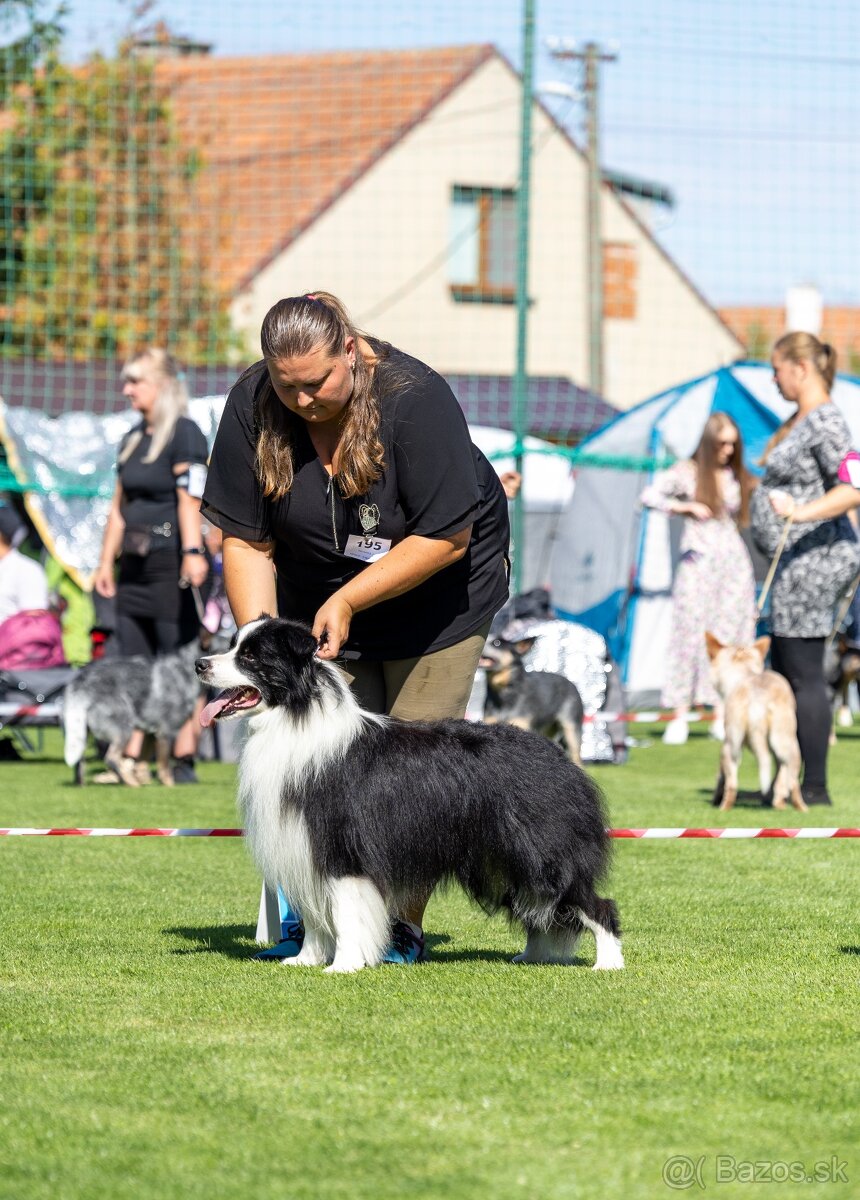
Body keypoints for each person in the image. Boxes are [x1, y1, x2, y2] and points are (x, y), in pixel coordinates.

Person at [201, 291, 510, 963]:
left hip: (440, 600)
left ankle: (400, 928)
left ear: (351, 349)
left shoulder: (416, 399)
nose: (304, 399)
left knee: (413, 774)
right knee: (324, 769)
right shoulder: (254, 403)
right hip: (315, 601)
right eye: (289, 387)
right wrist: (264, 641)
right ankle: (311, 924)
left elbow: (447, 536)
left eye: (317, 383)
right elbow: (246, 538)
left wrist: (350, 601)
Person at [750, 332, 860, 806]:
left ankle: (812, 788)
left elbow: (854, 487)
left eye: (776, 369)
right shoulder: (803, 420)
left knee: (803, 674)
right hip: (796, 563)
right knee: (790, 670)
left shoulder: (827, 421)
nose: (773, 379)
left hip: (814, 562)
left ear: (801, 367)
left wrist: (799, 511)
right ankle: (790, 781)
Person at [93, 348, 209, 785]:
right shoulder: (131, 438)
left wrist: (193, 552)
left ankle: (181, 759)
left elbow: (189, 500)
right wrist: (106, 561)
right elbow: (118, 507)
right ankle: (130, 759)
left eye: (134, 381)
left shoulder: (186, 433)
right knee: (134, 662)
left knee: (177, 660)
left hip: (171, 565)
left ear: (159, 386)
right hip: (134, 569)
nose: (126, 389)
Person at [640, 411, 757, 745]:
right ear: (708, 443)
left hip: (733, 563)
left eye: (733, 445)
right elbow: (649, 496)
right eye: (721, 444)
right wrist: (684, 507)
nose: (727, 451)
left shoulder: (736, 476)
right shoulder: (687, 472)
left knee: (730, 634)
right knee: (690, 633)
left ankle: (722, 712)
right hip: (698, 560)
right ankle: (680, 712)